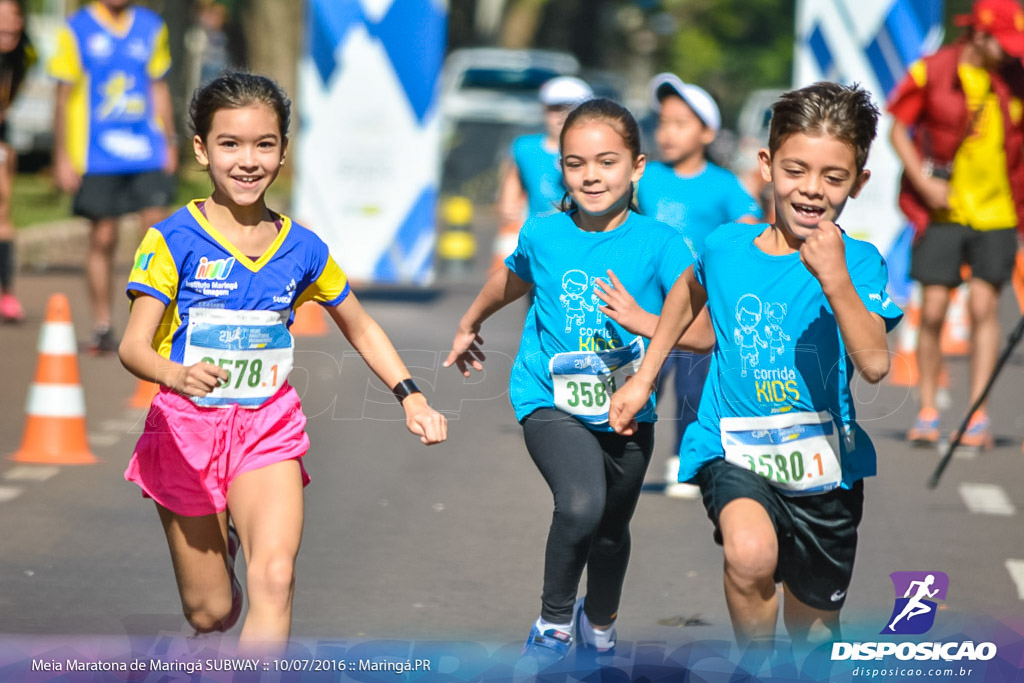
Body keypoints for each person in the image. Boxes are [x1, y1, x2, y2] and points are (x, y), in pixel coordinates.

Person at [118, 72, 447, 652]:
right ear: (202, 149)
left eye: (264, 145)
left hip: (266, 425)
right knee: (211, 612)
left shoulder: (304, 248)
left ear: (284, 152)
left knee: (276, 577)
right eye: (231, 144)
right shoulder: (171, 240)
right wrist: (176, 374)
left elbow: (361, 324)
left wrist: (410, 394)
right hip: (186, 431)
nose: (248, 161)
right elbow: (133, 346)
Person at [608, 82, 903, 661]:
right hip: (734, 446)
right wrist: (646, 366)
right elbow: (696, 306)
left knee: (815, 635)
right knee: (748, 555)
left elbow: (872, 363)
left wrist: (836, 279)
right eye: (796, 169)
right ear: (766, 165)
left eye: (834, 177)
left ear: (859, 183)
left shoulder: (860, 262)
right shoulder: (724, 246)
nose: (812, 189)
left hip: (825, 469)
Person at [445, 98, 697, 666]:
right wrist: (469, 322)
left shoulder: (661, 243)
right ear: (561, 168)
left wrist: (643, 321)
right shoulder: (545, 232)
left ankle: (599, 619)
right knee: (581, 505)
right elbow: (510, 280)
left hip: (631, 406)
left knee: (611, 528)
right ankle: (555, 620)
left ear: (637, 167)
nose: (590, 175)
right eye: (575, 162)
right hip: (548, 396)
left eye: (607, 162)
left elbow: (702, 332)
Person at [888, 0, 1024, 449]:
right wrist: (925, 186)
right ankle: (928, 410)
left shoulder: (1016, 77)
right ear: (979, 35)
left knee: (985, 310)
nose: (1008, 53)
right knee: (933, 311)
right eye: (1001, 43)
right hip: (942, 212)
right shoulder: (933, 70)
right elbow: (896, 128)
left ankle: (977, 416)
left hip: (998, 213)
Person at [638, 73, 763, 498]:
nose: (667, 132)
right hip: (647, 306)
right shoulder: (647, 177)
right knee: (643, 381)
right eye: (663, 122)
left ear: (707, 132)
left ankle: (683, 460)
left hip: (698, 311)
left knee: (692, 389)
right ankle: (625, 455)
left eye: (680, 123)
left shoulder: (724, 184)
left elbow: (749, 231)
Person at [48, 0, 179, 353]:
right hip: (96, 152)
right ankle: (103, 324)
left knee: (156, 231)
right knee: (102, 236)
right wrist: (61, 155)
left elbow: (158, 86)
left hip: (146, 149)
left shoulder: (151, 26)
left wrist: (170, 140)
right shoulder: (77, 28)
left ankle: (156, 324)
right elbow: (62, 94)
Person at [492, 76, 593, 263]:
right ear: (544, 110)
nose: (562, 116)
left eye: (570, 109)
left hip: (584, 243)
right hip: (538, 245)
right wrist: (508, 209)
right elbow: (509, 198)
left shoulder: (596, 150)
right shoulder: (525, 148)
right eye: (556, 109)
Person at [0, 0, 34, 323]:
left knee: (2, 208)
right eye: (2, 18)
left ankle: (6, 293)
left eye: (14, 18)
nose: (9, 25)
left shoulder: (22, 56)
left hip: (1, 134)